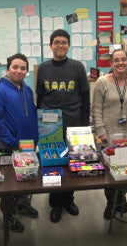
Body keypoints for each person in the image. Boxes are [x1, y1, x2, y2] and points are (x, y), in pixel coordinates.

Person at [36, 29, 90, 223]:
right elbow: (40, 97)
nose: (61, 45)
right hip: (50, 125)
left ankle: (69, 198)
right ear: (50, 46)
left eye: (64, 42)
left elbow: (85, 97)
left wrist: (84, 126)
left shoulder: (77, 67)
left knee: (72, 161)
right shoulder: (43, 68)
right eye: (57, 42)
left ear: (68, 45)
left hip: (73, 121)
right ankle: (55, 202)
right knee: (53, 161)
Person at [92, 49, 127, 220]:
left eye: (123, 59)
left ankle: (121, 198)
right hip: (108, 135)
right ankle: (111, 202)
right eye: (116, 60)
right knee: (109, 170)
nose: (120, 63)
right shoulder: (102, 82)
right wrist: (100, 131)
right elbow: (95, 109)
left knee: (125, 166)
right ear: (111, 64)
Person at [0, 53, 39, 232]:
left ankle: (23, 204)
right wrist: (11, 141)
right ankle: (9, 215)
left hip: (28, 144)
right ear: (8, 69)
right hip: (10, 145)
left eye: (23, 68)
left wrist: (36, 138)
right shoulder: (0, 90)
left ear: (26, 71)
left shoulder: (27, 89)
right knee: (11, 184)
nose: (19, 71)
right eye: (15, 67)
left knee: (27, 177)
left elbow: (32, 115)